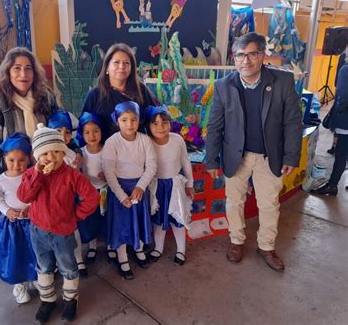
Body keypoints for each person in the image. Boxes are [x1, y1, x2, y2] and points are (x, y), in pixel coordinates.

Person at [205, 32, 303, 272]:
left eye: (252, 54)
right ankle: (236, 241)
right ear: (234, 58)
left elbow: (293, 122)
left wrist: (291, 156)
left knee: (269, 204)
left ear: (262, 55)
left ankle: (266, 246)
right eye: (240, 55)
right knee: (234, 201)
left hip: (269, 156)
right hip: (234, 155)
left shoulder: (282, 81)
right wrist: (210, 161)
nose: (245, 61)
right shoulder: (223, 85)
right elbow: (215, 125)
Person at [17, 124, 100, 323]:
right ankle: (47, 300)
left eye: (56, 151)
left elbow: (92, 198)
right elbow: (24, 196)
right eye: (45, 153)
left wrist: (75, 216)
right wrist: (37, 174)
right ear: (37, 156)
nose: (51, 157)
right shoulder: (31, 174)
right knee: (43, 267)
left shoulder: (72, 175)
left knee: (68, 267)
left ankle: (71, 299)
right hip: (38, 231)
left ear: (64, 153)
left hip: (63, 233)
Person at [0, 47, 59, 204]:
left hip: (46, 168)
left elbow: (58, 132)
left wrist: (74, 151)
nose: (23, 74)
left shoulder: (45, 96)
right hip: (15, 173)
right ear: (8, 72)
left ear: (34, 73)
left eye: (28, 69)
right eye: (17, 68)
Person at [102, 101, 157, 280]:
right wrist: (120, 195)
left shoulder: (145, 140)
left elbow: (151, 166)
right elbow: (109, 171)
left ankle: (139, 249)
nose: (129, 124)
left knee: (139, 222)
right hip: (119, 189)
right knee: (122, 225)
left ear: (139, 120)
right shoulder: (112, 142)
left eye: (133, 119)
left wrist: (141, 186)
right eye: (124, 120)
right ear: (117, 121)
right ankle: (123, 257)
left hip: (139, 188)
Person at [145, 106, 194, 266]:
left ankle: (181, 250)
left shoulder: (177, 140)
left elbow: (185, 161)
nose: (160, 127)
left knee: (176, 218)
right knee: (158, 220)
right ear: (148, 125)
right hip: (156, 186)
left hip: (175, 186)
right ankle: (158, 248)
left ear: (170, 123)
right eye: (155, 123)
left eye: (164, 122)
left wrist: (190, 184)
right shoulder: (146, 142)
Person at [0, 133, 37, 304]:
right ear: (4, 158)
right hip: (12, 226)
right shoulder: (1, 180)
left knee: (35, 252)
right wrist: (7, 211)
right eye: (11, 160)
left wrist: (31, 208)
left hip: (33, 222)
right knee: (16, 254)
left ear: (28, 159)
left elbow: (39, 195)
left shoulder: (32, 175)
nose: (16, 165)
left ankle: (36, 278)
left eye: (21, 160)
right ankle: (19, 284)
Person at [82, 43, 157, 142]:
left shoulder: (141, 90)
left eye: (126, 63)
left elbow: (154, 121)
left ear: (131, 68)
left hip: (138, 151)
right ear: (107, 67)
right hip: (104, 153)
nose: (122, 66)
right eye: (116, 62)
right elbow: (84, 128)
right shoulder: (95, 95)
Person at [48, 109, 87, 277]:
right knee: (52, 233)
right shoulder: (44, 153)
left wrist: (72, 151)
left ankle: (78, 260)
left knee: (73, 230)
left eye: (67, 132)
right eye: (58, 131)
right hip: (50, 201)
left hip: (68, 198)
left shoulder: (72, 152)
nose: (63, 135)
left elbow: (75, 167)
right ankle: (57, 261)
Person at [312, 53, 348, 197]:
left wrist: (337, 114)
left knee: (341, 154)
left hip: (345, 119)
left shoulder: (345, 70)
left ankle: (332, 185)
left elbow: (343, 96)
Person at [75, 112, 108, 265]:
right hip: (89, 195)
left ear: (101, 131)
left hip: (106, 192)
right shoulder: (80, 153)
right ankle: (92, 246)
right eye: (87, 132)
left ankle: (110, 245)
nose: (92, 135)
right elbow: (77, 173)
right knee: (91, 221)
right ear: (82, 134)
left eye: (96, 131)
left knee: (107, 219)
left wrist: (108, 175)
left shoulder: (107, 150)